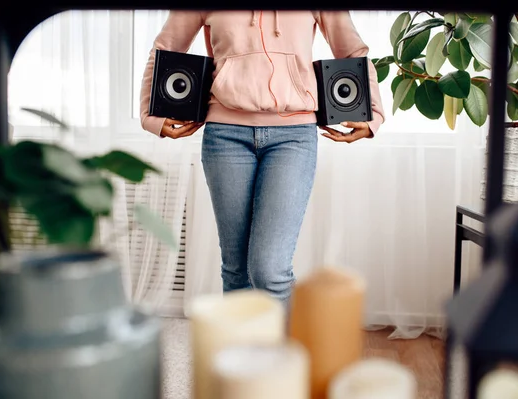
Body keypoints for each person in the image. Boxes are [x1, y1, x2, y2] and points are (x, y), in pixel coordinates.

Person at [139, 10, 385, 308]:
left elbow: (353, 52)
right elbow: (164, 48)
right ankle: (239, 354)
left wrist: (372, 114)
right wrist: (150, 116)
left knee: (270, 270)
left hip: (294, 136)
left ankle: (284, 353)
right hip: (225, 136)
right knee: (236, 270)